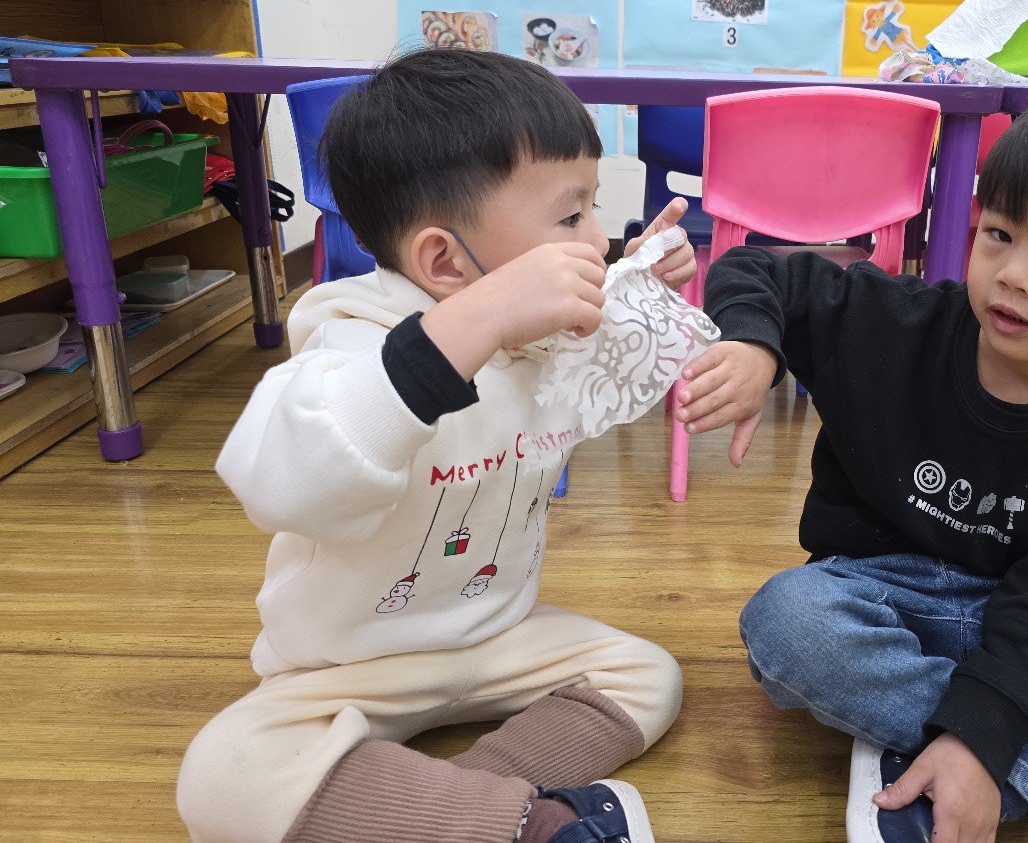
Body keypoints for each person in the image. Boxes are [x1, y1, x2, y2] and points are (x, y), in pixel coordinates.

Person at [675, 81, 1028, 843]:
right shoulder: (895, 323)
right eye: (999, 233)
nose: (1015, 274)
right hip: (880, 596)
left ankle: (946, 767)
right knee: (790, 622)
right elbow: (758, 271)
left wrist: (982, 733)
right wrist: (755, 344)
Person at [177, 48, 696, 843]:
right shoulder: (349, 343)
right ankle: (523, 823)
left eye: (593, 211)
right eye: (571, 218)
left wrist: (636, 278)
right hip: (348, 668)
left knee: (647, 676)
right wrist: (477, 320)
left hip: (500, 637)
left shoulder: (540, 334)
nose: (596, 237)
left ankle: (458, 805)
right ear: (445, 261)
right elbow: (285, 480)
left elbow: (599, 358)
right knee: (225, 774)